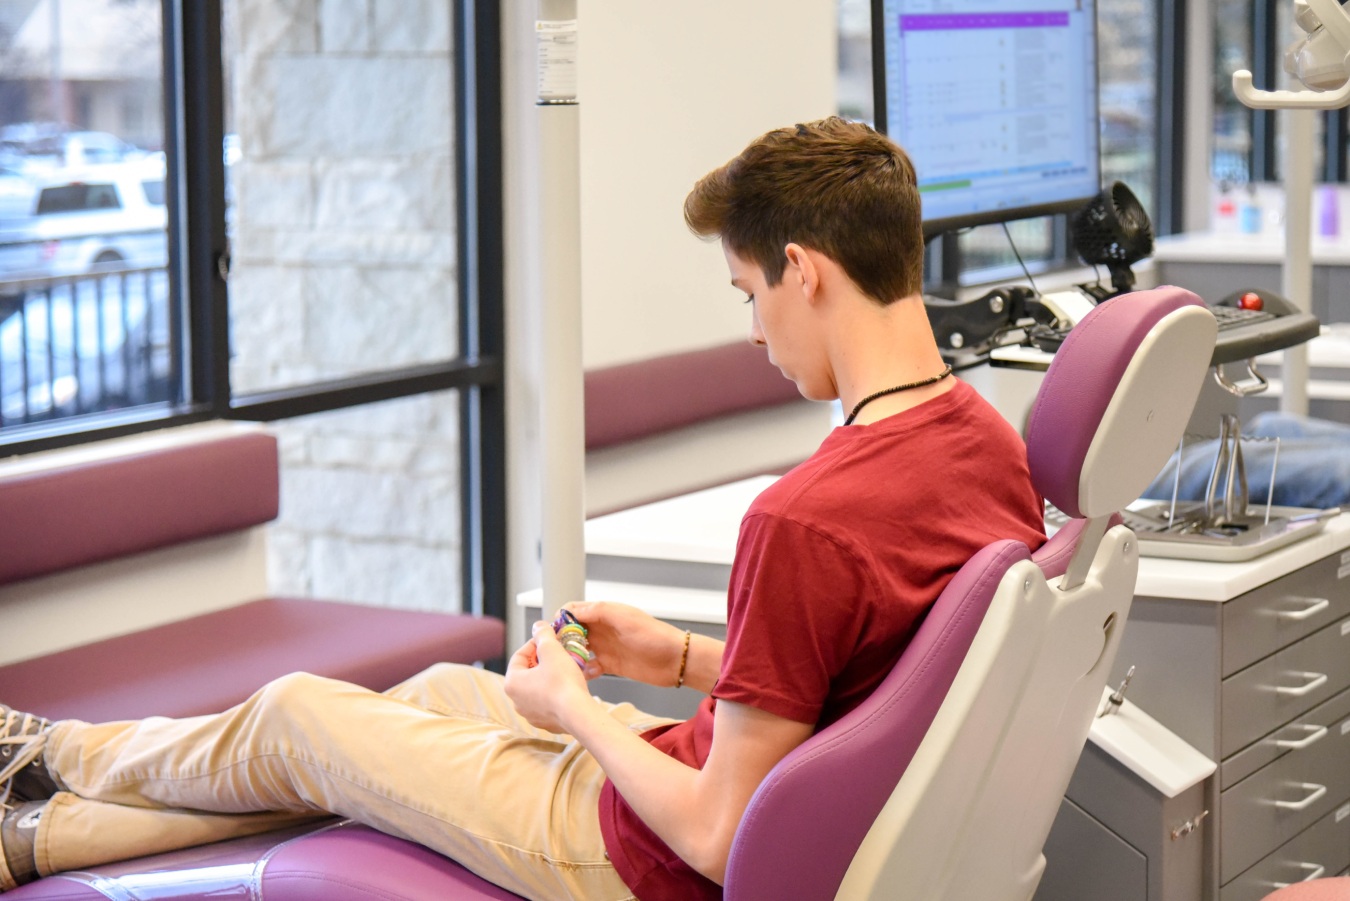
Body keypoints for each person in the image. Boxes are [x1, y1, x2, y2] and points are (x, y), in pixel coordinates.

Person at [0, 117, 1046, 900]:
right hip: (722, 777)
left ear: (804, 273)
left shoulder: (805, 518)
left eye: (748, 295)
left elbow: (717, 837)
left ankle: (49, 753)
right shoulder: (986, 445)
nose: (754, 334)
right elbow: (858, 682)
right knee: (435, 692)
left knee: (301, 716)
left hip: (637, 855)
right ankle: (39, 838)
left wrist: (576, 710)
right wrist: (681, 657)